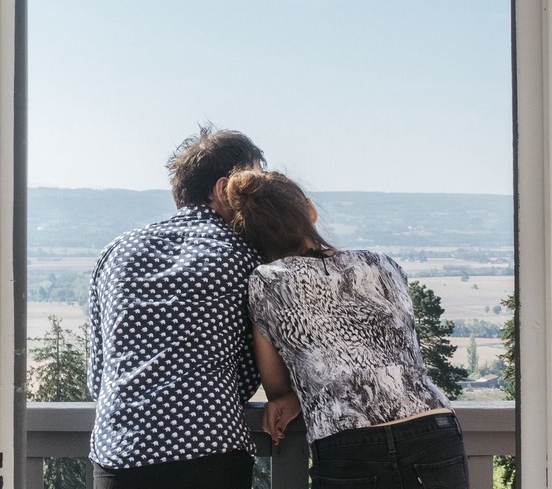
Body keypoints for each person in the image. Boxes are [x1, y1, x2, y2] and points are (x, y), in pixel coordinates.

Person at [228, 169, 470, 489]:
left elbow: (275, 387)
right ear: (310, 210)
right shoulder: (382, 263)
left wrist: (295, 397)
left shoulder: (266, 282)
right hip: (431, 424)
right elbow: (400, 348)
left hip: (347, 441)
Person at [87, 127, 266, 489]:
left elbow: (98, 376)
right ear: (223, 191)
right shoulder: (245, 256)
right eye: (254, 187)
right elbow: (251, 371)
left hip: (120, 451)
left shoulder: (117, 251)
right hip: (211, 451)